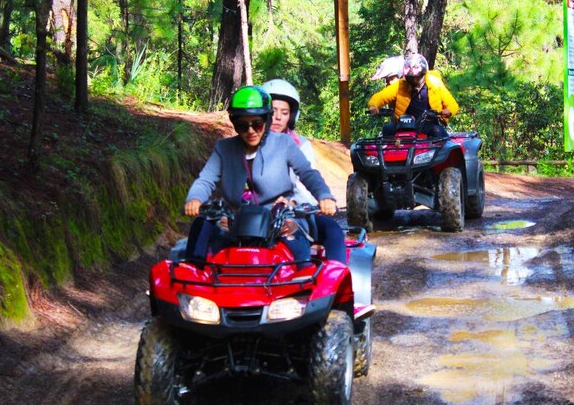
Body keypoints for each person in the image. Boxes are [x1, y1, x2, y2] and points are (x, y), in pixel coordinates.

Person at [184, 85, 337, 262]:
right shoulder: (223, 148)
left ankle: (303, 283)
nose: (250, 131)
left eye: (256, 124)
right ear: (234, 124)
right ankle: (194, 277)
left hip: (279, 216)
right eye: (243, 125)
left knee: (297, 245)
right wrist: (195, 199)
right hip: (235, 218)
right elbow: (206, 180)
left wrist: (324, 196)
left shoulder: (284, 143)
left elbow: (308, 173)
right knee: (201, 226)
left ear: (267, 120)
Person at [263, 78, 348, 265]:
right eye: (272, 111)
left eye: (284, 112)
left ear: (291, 116)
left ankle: (337, 280)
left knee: (333, 231)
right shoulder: (249, 144)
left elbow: (307, 182)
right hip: (259, 217)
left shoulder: (300, 145)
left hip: (296, 213)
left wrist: (297, 202)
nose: (277, 117)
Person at [367, 53, 459, 138]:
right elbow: (381, 96)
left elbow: (452, 104)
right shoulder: (400, 85)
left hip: (429, 124)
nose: (412, 81)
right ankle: (386, 154)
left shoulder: (434, 83)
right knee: (388, 129)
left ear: (422, 75)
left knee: (438, 132)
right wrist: (373, 105)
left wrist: (448, 111)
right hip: (404, 125)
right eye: (409, 78)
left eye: (416, 78)